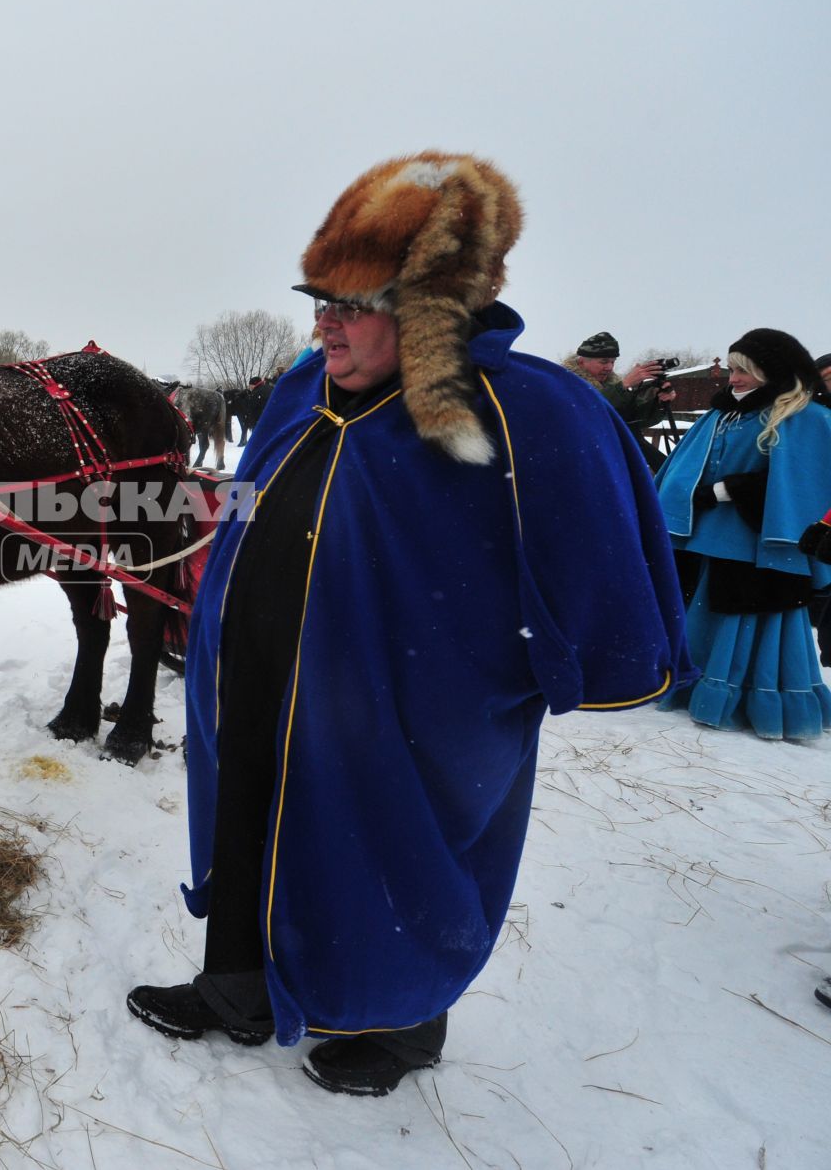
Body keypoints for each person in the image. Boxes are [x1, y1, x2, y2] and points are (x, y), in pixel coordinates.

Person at [127, 152, 692, 1097]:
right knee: (252, 828)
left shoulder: (529, 413)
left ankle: (399, 1030)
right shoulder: (304, 389)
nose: (326, 324)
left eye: (353, 303)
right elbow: (254, 505)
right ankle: (239, 987)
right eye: (320, 300)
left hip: (413, 710)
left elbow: (607, 571)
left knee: (394, 859)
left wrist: (517, 676)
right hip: (266, 681)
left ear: (431, 303)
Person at [654, 331, 831, 738]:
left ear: (773, 373)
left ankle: (750, 702)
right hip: (706, 536)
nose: (732, 379)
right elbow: (680, 469)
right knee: (705, 612)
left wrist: (727, 490)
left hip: (761, 542)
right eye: (731, 370)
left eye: (744, 372)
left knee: (752, 617)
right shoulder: (721, 415)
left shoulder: (805, 416)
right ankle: (697, 688)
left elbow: (805, 485)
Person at [565, 332, 677, 469]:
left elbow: (637, 421)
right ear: (582, 361)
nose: (609, 367)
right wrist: (623, 386)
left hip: (611, 459)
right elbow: (588, 410)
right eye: (604, 361)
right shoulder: (564, 381)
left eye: (613, 362)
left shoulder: (613, 384)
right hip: (579, 458)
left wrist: (659, 403)